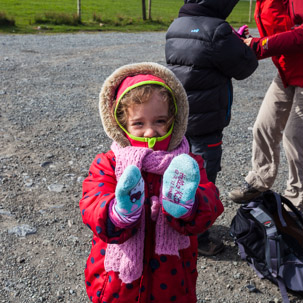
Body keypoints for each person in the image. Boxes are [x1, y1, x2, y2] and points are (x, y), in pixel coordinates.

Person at [79, 62, 224, 303]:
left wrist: (189, 205)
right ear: (121, 124)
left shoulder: (186, 164)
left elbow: (211, 202)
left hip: (172, 278)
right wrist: (117, 213)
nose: (149, 132)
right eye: (138, 123)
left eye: (159, 121)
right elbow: (90, 203)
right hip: (117, 282)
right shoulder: (109, 163)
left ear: (174, 120)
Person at [165, 0, 258, 255]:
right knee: (204, 175)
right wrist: (239, 42)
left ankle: (175, 220)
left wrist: (230, 40)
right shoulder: (218, 31)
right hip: (208, 121)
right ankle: (199, 236)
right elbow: (245, 66)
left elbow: (200, 52)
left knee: (179, 171)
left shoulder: (176, 26)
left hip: (181, 117)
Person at [228, 0, 303, 213]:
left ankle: (297, 200)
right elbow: (282, 29)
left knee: (295, 136)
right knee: (264, 126)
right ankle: (259, 182)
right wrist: (249, 41)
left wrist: (260, 45)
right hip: (287, 70)